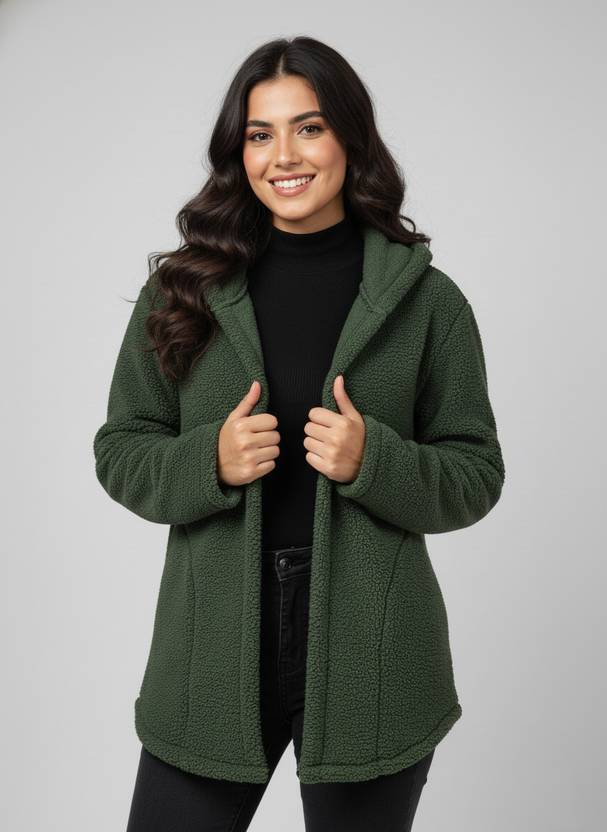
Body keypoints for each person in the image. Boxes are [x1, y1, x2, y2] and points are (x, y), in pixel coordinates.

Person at [93, 36, 505, 832]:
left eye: (308, 128)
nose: (283, 155)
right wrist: (207, 461)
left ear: (349, 137)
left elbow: (475, 473)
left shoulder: (428, 303)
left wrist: (373, 461)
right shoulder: (182, 290)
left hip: (372, 650)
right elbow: (121, 448)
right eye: (260, 134)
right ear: (238, 151)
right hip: (211, 644)